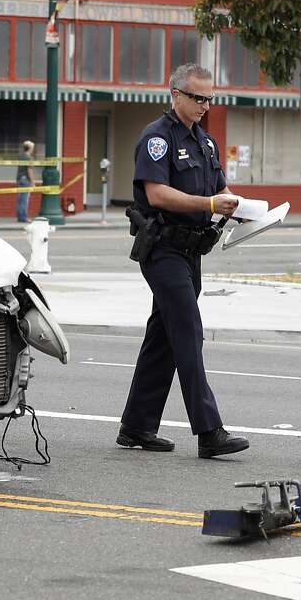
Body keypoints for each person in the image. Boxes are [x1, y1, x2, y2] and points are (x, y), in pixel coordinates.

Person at [117, 63, 249, 458]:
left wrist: (245, 209)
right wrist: (209, 203)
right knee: (188, 331)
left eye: (209, 98)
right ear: (175, 94)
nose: (204, 105)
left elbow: (221, 189)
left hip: (192, 252)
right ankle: (209, 431)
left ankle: (137, 426)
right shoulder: (156, 139)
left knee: (163, 337)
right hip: (162, 250)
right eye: (197, 97)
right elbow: (156, 194)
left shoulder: (205, 143)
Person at [16, 140, 35, 223]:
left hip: (19, 178)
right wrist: (32, 181)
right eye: (32, 148)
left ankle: (20, 216)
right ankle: (24, 217)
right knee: (24, 199)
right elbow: (29, 170)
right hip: (26, 179)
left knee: (20, 199)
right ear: (30, 148)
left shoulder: (20, 156)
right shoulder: (29, 158)